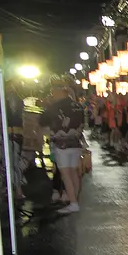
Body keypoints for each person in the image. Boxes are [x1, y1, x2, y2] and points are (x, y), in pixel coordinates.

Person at [40, 82, 87, 215]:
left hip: (61, 144)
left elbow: (43, 122)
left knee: (66, 175)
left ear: (58, 92)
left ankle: (73, 203)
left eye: (53, 92)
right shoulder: (78, 106)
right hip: (76, 143)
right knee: (74, 174)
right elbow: (83, 124)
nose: (52, 95)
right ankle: (74, 199)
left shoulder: (54, 107)